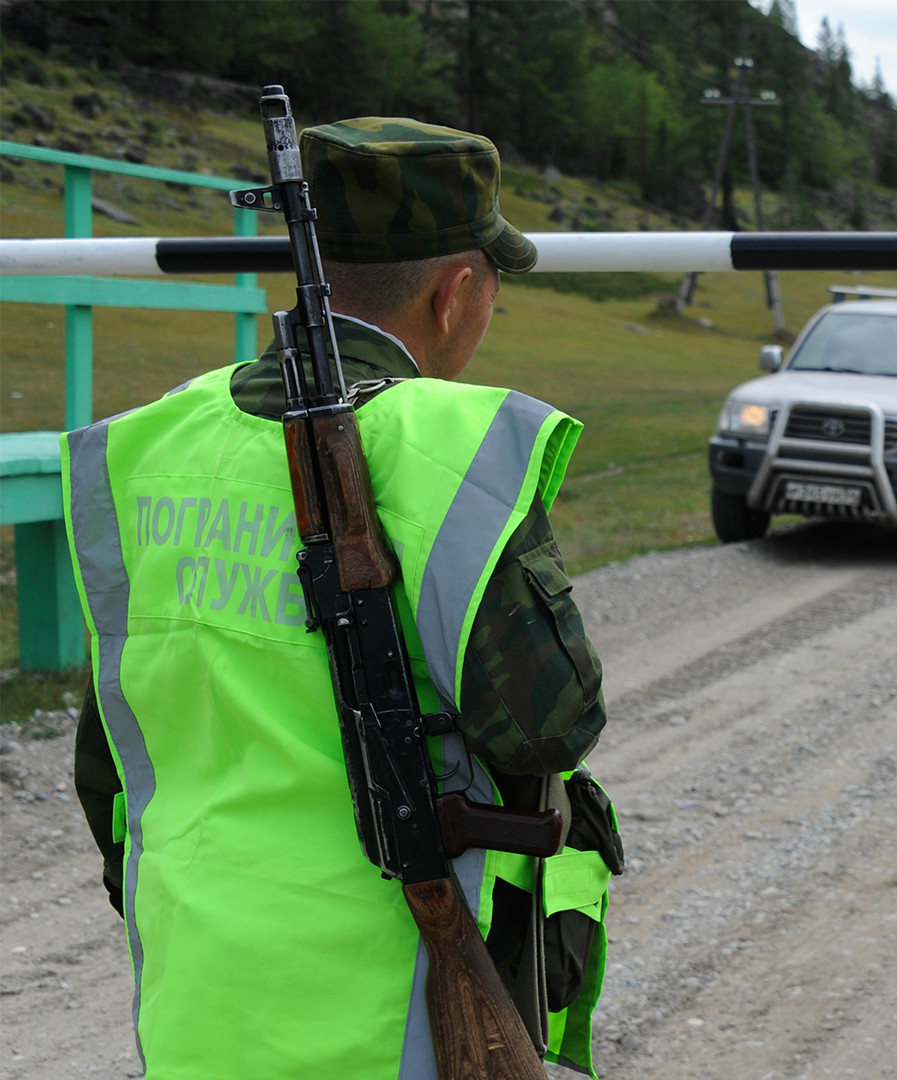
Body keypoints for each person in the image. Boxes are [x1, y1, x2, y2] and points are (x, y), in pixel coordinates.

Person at [63, 118, 617, 1079]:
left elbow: (110, 758)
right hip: (390, 1027)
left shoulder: (150, 446)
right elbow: (551, 724)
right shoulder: (453, 451)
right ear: (456, 294)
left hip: (201, 1004)